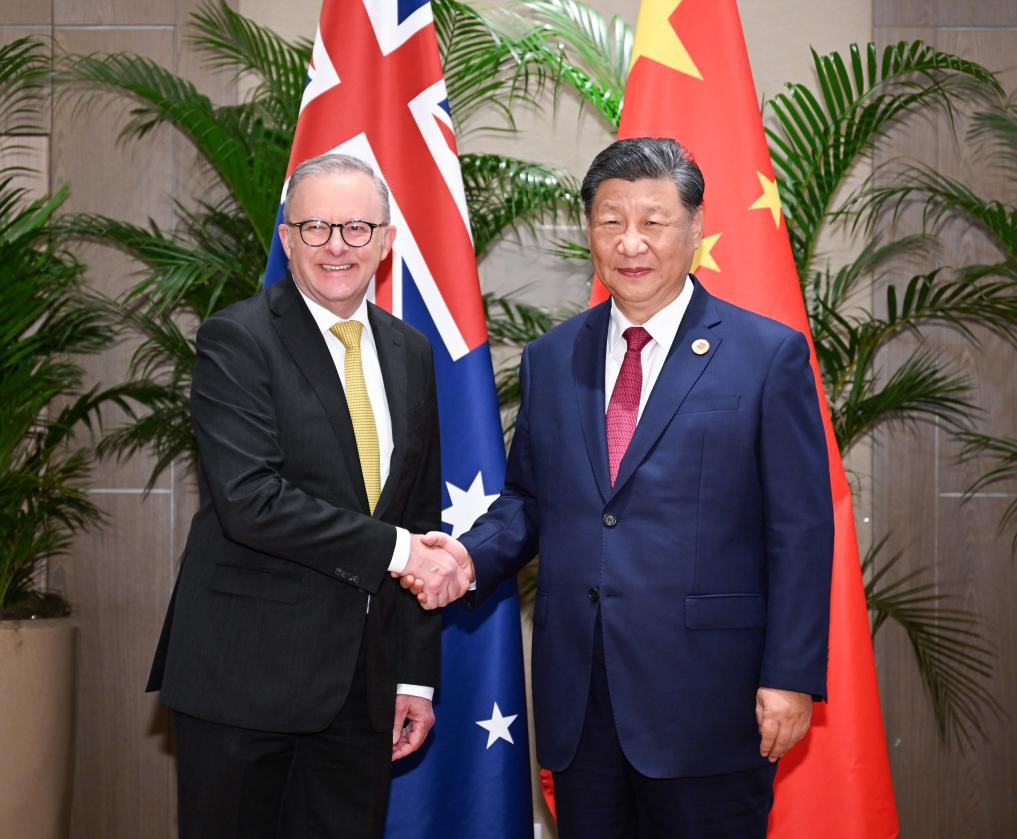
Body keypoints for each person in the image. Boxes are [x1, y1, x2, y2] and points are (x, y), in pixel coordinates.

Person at [417, 137, 834, 838]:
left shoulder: (767, 355)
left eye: (653, 220)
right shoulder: (554, 356)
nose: (630, 242)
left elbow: (799, 528)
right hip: (582, 701)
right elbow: (529, 499)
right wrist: (466, 558)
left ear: (695, 229)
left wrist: (789, 674)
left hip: (711, 701)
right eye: (610, 221)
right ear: (590, 233)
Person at [147, 153, 471, 839]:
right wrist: (400, 551)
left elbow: (416, 516)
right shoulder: (238, 338)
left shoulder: (410, 352)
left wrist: (414, 676)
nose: (336, 246)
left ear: (386, 242)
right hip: (243, 679)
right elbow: (250, 499)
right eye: (315, 226)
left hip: (361, 689)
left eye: (356, 228)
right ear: (287, 239)